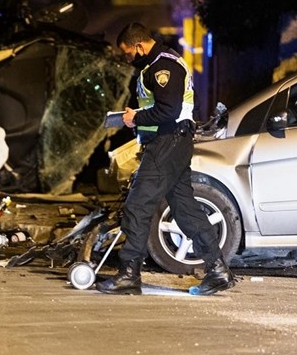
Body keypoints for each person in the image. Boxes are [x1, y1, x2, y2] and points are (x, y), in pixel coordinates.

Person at [95, 22, 235, 296]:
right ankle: (218, 270)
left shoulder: (163, 67)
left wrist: (136, 117)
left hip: (167, 143)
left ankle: (128, 275)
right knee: (185, 209)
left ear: (138, 46)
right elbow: (163, 108)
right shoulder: (161, 63)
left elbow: (168, 111)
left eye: (127, 53)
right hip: (173, 143)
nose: (126, 58)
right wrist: (136, 118)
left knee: (137, 205)